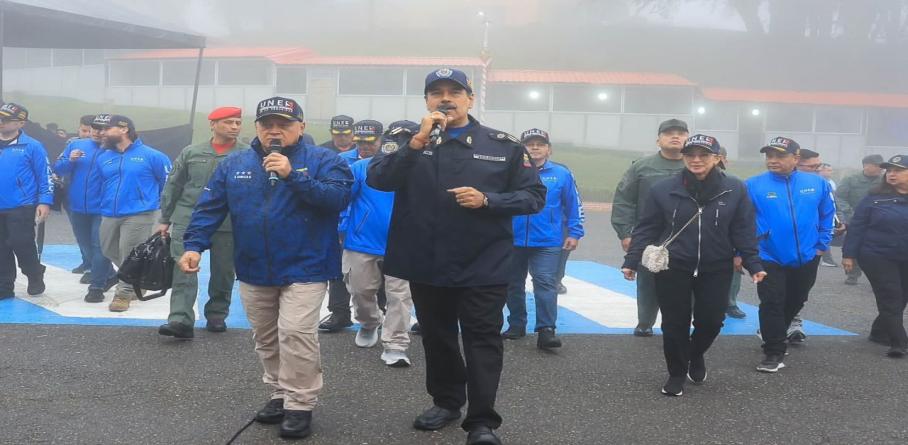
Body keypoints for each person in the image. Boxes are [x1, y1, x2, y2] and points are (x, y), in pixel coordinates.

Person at [368, 68, 545, 445]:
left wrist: (488, 200)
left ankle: (482, 423)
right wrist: (415, 143)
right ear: (427, 102)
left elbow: (533, 197)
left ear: (470, 99)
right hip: (425, 261)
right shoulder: (406, 141)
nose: (445, 99)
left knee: (482, 340)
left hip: (484, 262)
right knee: (437, 337)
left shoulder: (503, 145)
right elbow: (378, 180)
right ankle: (447, 402)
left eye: (454, 92)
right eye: (436, 93)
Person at [180, 96, 351, 439]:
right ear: (257, 128)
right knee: (267, 336)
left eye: (283, 125)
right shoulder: (234, 163)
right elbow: (209, 206)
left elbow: (338, 199)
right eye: (267, 124)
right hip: (254, 265)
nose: (274, 131)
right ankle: (279, 392)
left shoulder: (324, 160)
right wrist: (194, 245)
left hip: (307, 265)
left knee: (297, 334)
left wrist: (292, 176)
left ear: (301, 127)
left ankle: (300, 403)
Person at [622, 134, 765, 396]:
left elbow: (743, 229)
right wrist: (631, 260)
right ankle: (676, 372)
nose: (696, 160)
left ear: (717, 158)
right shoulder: (663, 188)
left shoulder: (735, 188)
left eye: (704, 155)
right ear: (684, 157)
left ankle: (694, 353)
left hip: (717, 266)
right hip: (673, 265)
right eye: (691, 155)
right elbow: (647, 227)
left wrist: (753, 263)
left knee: (711, 321)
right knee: (674, 323)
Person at [156, 107, 248, 339]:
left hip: (227, 220)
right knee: (183, 269)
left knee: (224, 270)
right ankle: (180, 319)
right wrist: (165, 218)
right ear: (213, 124)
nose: (235, 127)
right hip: (188, 217)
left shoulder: (247, 154)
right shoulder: (192, 152)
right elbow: (174, 185)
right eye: (228, 122)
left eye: (238, 123)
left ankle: (217, 314)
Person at [745, 137, 835, 373]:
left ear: (796, 158)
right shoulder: (753, 185)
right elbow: (741, 222)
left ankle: (773, 332)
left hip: (808, 254)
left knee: (797, 299)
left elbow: (828, 214)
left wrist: (821, 244)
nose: (773, 161)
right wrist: (743, 252)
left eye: (779, 156)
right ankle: (773, 351)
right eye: (769, 156)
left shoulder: (817, 184)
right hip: (768, 254)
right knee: (772, 300)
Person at [342, 119, 417, 366]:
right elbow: (343, 200)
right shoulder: (362, 167)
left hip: (404, 243)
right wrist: (342, 227)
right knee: (361, 291)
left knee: (400, 296)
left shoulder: (423, 170)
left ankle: (396, 345)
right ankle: (369, 322)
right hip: (363, 242)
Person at [503, 128, 584, 349]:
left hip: (548, 240)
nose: (535, 148)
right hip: (513, 238)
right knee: (512, 284)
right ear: (521, 149)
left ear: (549, 149)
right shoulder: (510, 172)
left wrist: (575, 233)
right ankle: (516, 324)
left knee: (545, 283)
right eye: (530, 144)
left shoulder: (561, 174)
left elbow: (573, 205)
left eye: (540, 144)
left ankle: (546, 330)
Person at [612, 119, 688, 336]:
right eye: (669, 133)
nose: (675, 137)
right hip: (650, 234)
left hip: (687, 235)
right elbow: (624, 200)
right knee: (648, 281)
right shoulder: (642, 167)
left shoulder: (695, 165)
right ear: (658, 139)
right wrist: (625, 233)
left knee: (686, 281)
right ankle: (645, 322)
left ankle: (679, 323)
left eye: (681, 133)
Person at [95, 115, 172, 312]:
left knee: (129, 252)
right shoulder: (104, 157)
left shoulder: (152, 156)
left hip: (140, 213)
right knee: (108, 250)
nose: (101, 133)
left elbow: (169, 184)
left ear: (124, 129)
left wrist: (166, 213)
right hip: (109, 213)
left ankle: (124, 294)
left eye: (106, 128)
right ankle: (140, 278)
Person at [842, 155, 908, 358]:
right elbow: (857, 226)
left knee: (902, 296)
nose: (891, 174)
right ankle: (899, 342)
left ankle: (879, 332)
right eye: (889, 170)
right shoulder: (874, 197)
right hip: (877, 255)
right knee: (891, 296)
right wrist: (848, 255)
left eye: (897, 170)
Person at [53, 114, 118, 302]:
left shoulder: (117, 150)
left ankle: (96, 286)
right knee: (86, 247)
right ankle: (109, 274)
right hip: (78, 206)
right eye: (95, 128)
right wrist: (70, 160)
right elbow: (58, 169)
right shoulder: (76, 145)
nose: (98, 132)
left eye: (103, 128)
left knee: (99, 247)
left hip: (103, 208)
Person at [0, 102, 52, 299]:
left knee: (21, 243)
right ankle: (4, 285)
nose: (0, 122)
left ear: (20, 123)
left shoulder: (33, 146)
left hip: (21, 205)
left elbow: (45, 175)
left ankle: (34, 273)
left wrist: (45, 201)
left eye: (5, 119)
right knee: (0, 247)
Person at [317, 117, 361, 334]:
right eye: (337, 132)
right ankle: (339, 312)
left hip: (368, 220)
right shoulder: (322, 152)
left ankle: (379, 310)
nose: (341, 136)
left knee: (377, 268)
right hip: (335, 217)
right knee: (337, 266)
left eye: (345, 133)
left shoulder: (369, 149)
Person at [836, 154, 884, 285]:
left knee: (877, 249)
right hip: (855, 220)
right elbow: (840, 197)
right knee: (852, 246)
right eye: (877, 166)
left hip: (877, 220)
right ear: (866, 165)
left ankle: (878, 277)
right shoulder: (851, 179)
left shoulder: (884, 181)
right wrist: (848, 212)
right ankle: (852, 274)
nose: (881, 169)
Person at [717, 146, 747, 320]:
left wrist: (740, 250)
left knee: (734, 272)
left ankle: (730, 303)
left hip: (728, 237)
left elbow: (742, 218)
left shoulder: (735, 183)